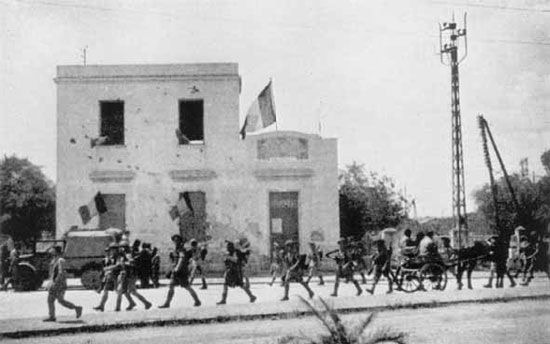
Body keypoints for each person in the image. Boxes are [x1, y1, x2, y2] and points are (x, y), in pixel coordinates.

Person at [159, 235, 201, 308]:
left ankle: (197, 300)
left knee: (187, 286)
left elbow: (181, 258)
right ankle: (167, 303)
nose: (175, 242)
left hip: (181, 271)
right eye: (174, 240)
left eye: (177, 240)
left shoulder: (181, 249)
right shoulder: (177, 248)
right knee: (171, 286)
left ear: (180, 241)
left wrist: (177, 268)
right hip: (176, 270)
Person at [44, 246, 82, 322]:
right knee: (55, 300)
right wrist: (50, 283)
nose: (51, 251)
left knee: (56, 300)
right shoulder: (54, 260)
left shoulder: (60, 260)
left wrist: (55, 282)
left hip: (59, 283)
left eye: (52, 250)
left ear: (56, 251)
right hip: (55, 283)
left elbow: (61, 273)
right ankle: (52, 316)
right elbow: (52, 274)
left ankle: (76, 308)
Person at [217, 240, 257, 305]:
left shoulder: (235, 253)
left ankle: (251, 296)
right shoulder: (230, 253)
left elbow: (236, 260)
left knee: (239, 284)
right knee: (227, 284)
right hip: (231, 272)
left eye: (228, 246)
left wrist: (228, 257)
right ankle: (251, 296)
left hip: (235, 272)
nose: (227, 248)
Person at [116, 241, 152, 311]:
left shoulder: (128, 254)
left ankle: (146, 303)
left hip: (131, 275)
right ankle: (131, 303)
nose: (121, 249)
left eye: (122, 247)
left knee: (132, 291)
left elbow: (131, 263)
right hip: (126, 274)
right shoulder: (123, 255)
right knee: (123, 291)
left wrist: (123, 263)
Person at [94, 243, 127, 312]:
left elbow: (119, 265)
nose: (111, 251)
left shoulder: (120, 257)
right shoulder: (111, 257)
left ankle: (118, 307)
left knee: (119, 291)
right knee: (106, 290)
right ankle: (101, 306)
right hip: (112, 275)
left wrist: (108, 268)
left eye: (112, 250)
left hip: (119, 274)